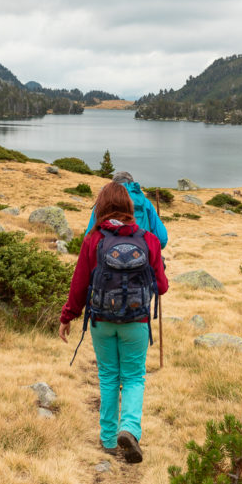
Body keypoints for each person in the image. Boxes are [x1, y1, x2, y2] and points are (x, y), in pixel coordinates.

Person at [60, 182, 169, 463]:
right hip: (136, 321)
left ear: (101, 206)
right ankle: (129, 429)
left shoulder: (93, 240)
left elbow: (80, 284)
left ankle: (109, 439)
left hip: (101, 321)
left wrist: (68, 315)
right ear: (130, 207)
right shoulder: (149, 240)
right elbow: (162, 286)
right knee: (133, 377)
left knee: (108, 376)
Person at [84, 171, 168, 249]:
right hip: (142, 257)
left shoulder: (103, 202)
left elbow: (89, 239)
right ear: (132, 183)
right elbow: (162, 238)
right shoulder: (145, 203)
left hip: (107, 257)